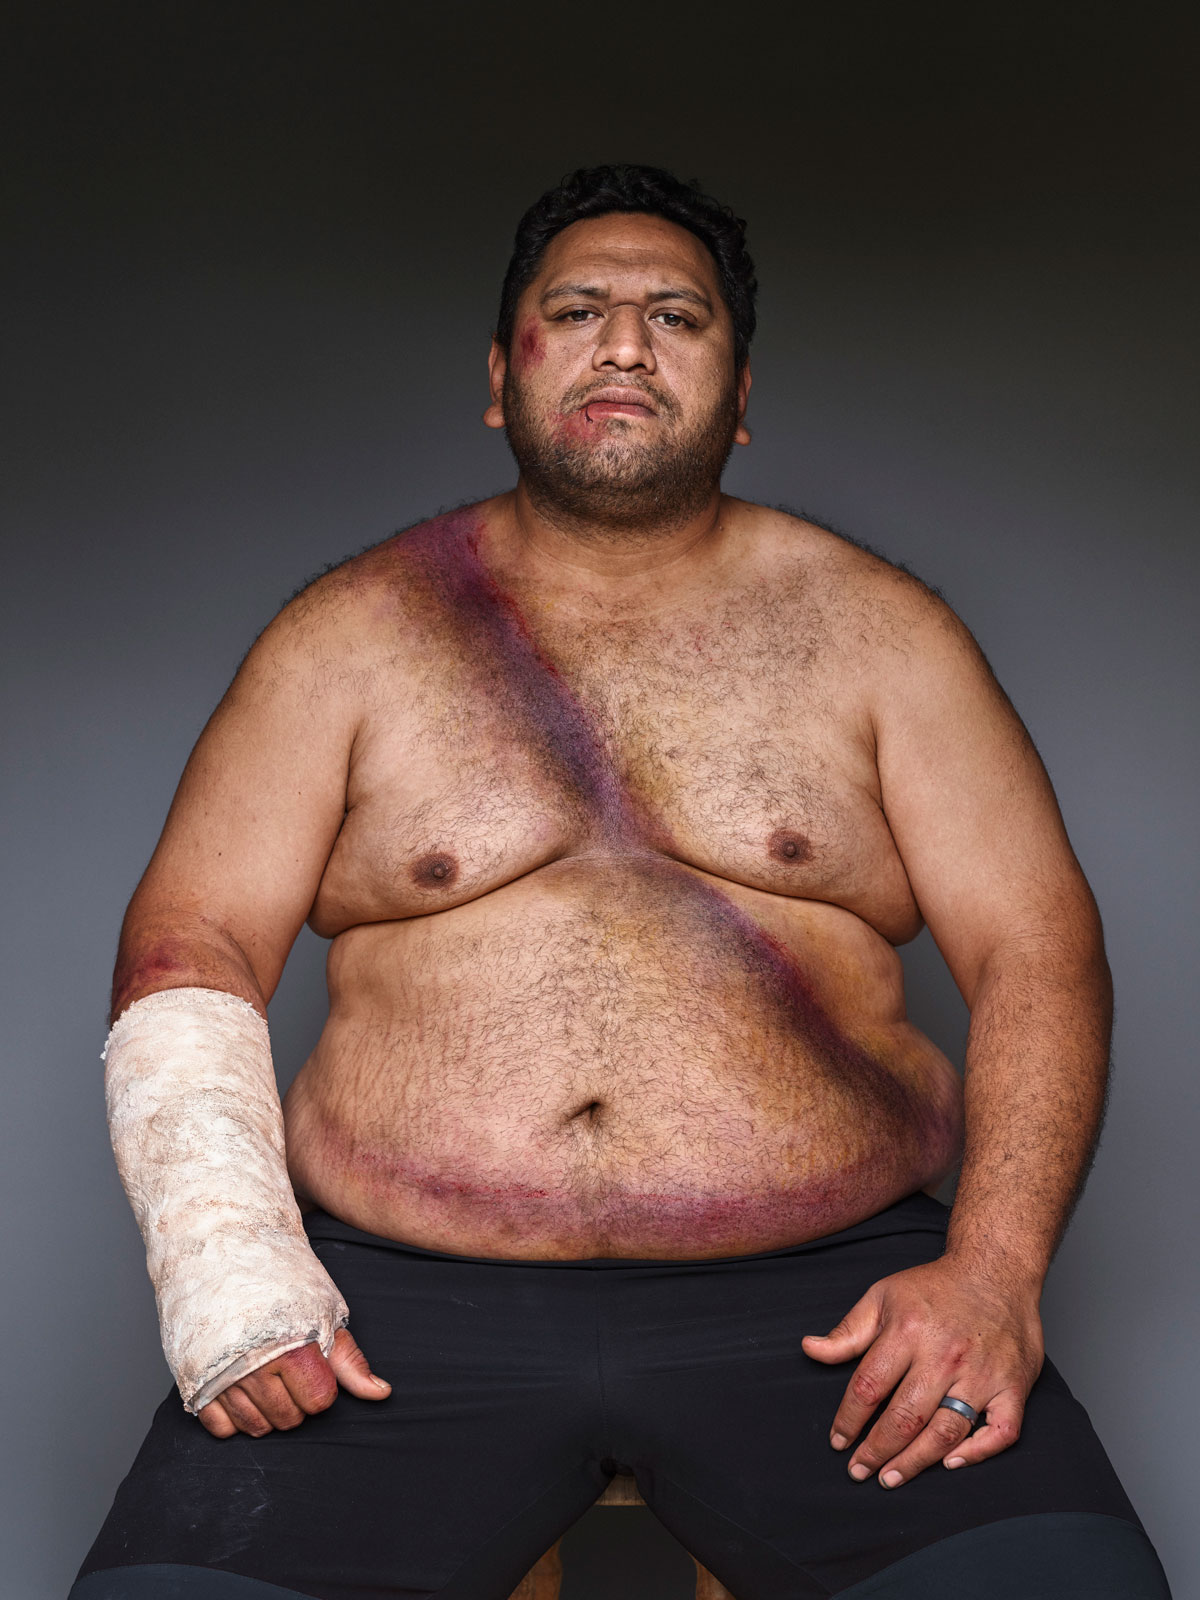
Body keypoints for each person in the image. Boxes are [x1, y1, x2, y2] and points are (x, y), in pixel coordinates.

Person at [71, 165, 1170, 1600]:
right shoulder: (344, 639)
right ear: (501, 375)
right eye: (580, 309)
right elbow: (191, 940)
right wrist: (230, 1273)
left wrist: (994, 1276)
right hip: (394, 1309)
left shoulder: (883, 636)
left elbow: (1038, 948)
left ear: (740, 391)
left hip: (823, 1301)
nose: (628, 346)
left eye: (678, 316)